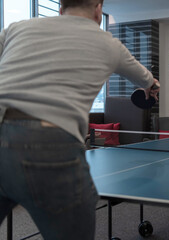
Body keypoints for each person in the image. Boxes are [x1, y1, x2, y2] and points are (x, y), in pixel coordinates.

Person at [0, 0, 159, 239]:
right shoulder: (109, 44)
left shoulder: (17, 28)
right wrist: (153, 86)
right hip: (50, 146)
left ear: (60, 9)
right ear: (98, 9)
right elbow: (146, 79)